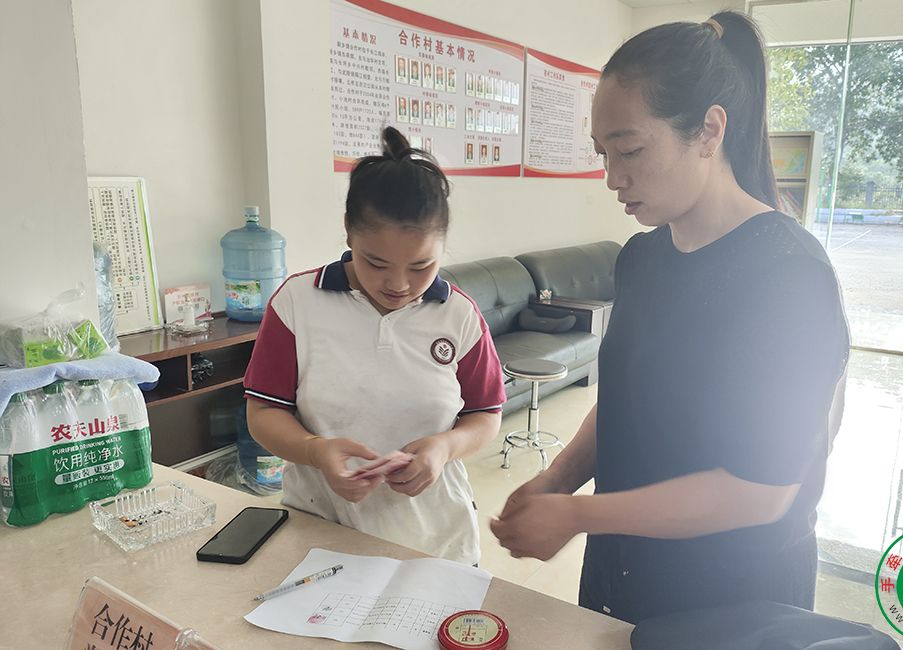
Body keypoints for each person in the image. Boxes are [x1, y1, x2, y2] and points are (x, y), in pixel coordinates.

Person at [491, 11, 850, 624]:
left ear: (709, 130)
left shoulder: (789, 276)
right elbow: (625, 403)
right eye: (603, 153)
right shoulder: (641, 258)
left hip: (732, 595)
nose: (612, 177)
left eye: (630, 149)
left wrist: (579, 514)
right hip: (626, 570)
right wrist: (558, 480)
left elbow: (762, 490)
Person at [245, 126, 506, 566]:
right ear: (348, 233)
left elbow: (485, 414)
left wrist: (444, 448)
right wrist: (316, 452)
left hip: (434, 538)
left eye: (421, 266)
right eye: (376, 263)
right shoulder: (297, 304)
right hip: (322, 529)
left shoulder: (458, 315)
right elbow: (264, 413)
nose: (398, 284)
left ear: (443, 246)